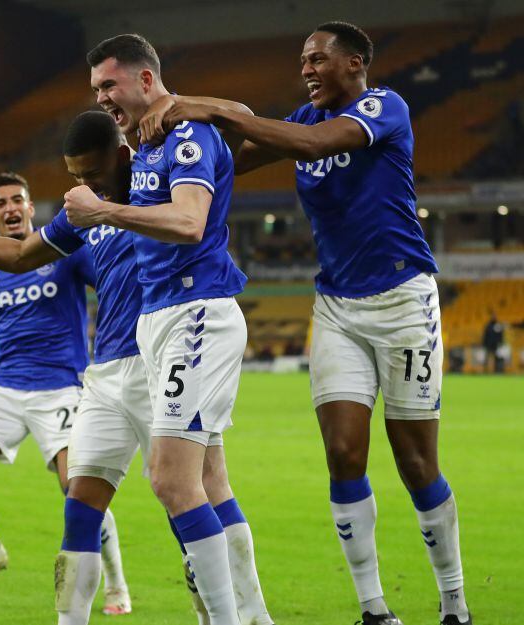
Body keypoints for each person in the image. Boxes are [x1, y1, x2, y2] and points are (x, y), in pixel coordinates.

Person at [139, 21, 470, 625]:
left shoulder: (384, 107)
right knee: (344, 455)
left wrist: (199, 105)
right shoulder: (303, 121)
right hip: (337, 306)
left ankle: (455, 602)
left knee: (416, 463)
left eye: (319, 59)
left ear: (357, 61)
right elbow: (232, 159)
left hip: (404, 302)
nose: (308, 69)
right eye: (302, 62)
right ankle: (374, 609)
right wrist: (172, 155)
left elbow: (313, 146)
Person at [0, 110, 273, 625]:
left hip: (162, 358)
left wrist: (207, 112)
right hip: (104, 375)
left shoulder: (164, 190)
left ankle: (249, 615)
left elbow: (226, 167)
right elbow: (20, 255)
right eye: (75, 176)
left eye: (91, 173)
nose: (83, 185)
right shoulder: (85, 215)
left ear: (122, 156)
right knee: (80, 502)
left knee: (200, 489)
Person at [59, 33, 260, 625]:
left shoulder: (189, 134)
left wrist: (105, 211)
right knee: (208, 481)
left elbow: (191, 221)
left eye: (108, 86)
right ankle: (254, 617)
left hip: (197, 313)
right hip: (159, 324)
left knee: (174, 480)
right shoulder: (143, 150)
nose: (101, 99)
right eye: (95, 89)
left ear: (146, 80)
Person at [0, 171, 132, 609]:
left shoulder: (65, 250)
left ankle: (116, 583)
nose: (11, 208)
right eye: (0, 203)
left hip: (62, 389)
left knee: (78, 487)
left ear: (32, 208)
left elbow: (112, 285)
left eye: (18, 200)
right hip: (6, 388)